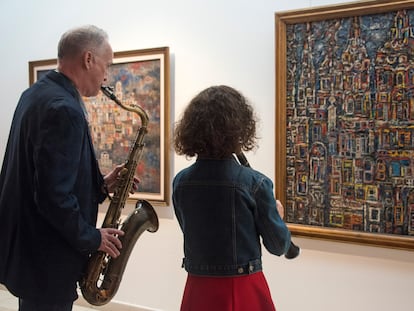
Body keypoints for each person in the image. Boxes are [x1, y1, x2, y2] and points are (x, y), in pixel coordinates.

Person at [0, 25, 137, 311]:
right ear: (89, 59)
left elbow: (44, 178)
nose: (107, 75)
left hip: (31, 254)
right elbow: (52, 197)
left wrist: (101, 185)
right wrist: (93, 238)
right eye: (107, 65)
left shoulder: (35, 95)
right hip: (48, 260)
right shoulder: (64, 109)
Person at [172, 85, 294, 311]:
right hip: (241, 287)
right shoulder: (255, 183)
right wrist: (276, 215)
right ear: (239, 128)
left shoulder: (181, 182)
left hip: (197, 287)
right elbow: (278, 246)